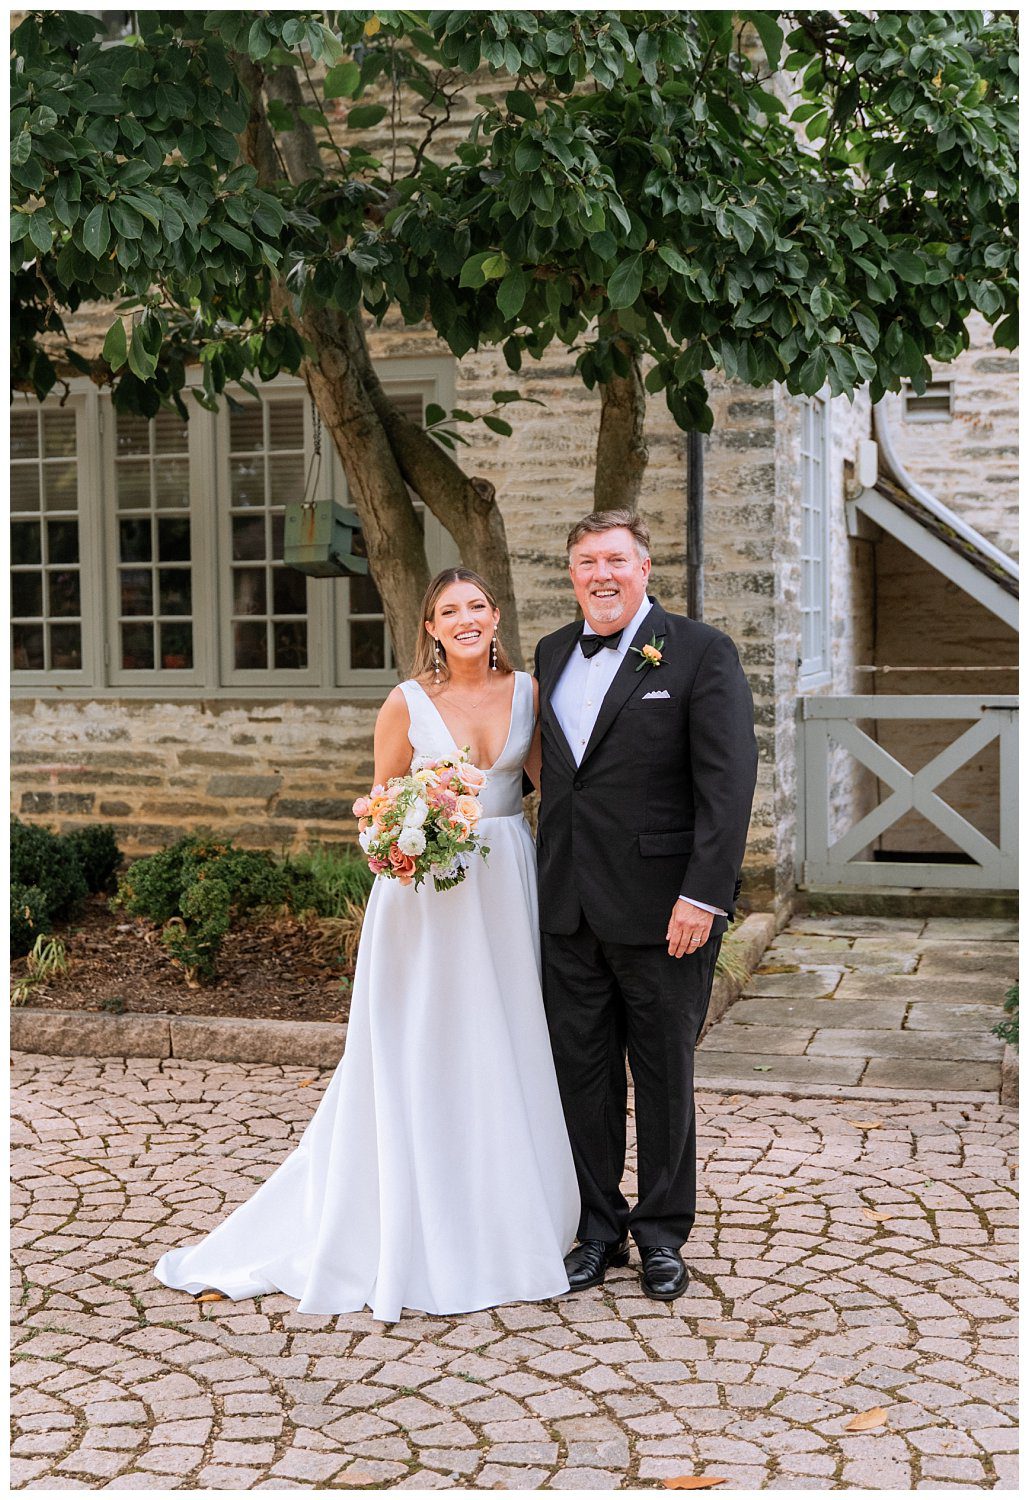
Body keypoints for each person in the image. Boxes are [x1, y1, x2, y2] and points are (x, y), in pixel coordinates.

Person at [154, 568, 578, 1323]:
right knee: (420, 1040)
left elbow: (551, 790)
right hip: (423, 897)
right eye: (449, 611)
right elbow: (377, 812)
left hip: (506, 878)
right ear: (430, 628)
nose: (466, 619)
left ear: (495, 616)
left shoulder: (530, 694)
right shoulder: (406, 703)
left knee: (504, 1032)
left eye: (476, 606)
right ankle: (399, 1207)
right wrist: (413, 841)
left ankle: (507, 1208)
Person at [532, 509, 757, 1301]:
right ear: (570, 574)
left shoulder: (700, 653)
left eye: (615, 560)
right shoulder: (552, 652)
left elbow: (725, 790)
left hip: (667, 910)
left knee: (663, 1075)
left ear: (644, 568)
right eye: (586, 560)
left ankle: (661, 1234)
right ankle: (599, 1230)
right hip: (565, 908)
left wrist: (703, 895)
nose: (601, 573)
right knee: (582, 1077)